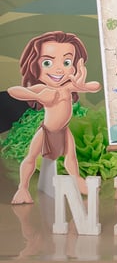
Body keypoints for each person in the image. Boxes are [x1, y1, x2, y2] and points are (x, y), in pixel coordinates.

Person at [8, 31, 101, 204]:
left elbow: (95, 86)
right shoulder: (43, 89)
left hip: (63, 131)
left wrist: (82, 85)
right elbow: (14, 91)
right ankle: (23, 188)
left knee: (71, 158)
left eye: (66, 62)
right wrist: (37, 96)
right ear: (35, 66)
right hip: (46, 131)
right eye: (47, 62)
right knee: (31, 157)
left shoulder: (68, 87)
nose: (58, 69)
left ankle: (77, 180)